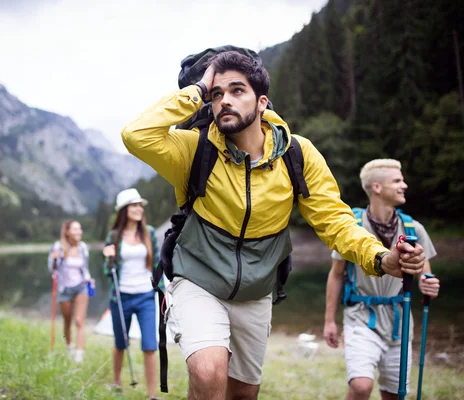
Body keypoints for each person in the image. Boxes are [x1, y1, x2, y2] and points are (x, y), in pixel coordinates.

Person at [120, 50, 426, 400]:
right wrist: (199, 89)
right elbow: (136, 135)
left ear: (262, 101)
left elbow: (335, 221)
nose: (225, 101)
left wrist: (381, 257)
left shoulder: (298, 154)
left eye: (237, 91)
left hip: (256, 291)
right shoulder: (194, 150)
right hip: (197, 279)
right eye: (217, 94)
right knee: (207, 375)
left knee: (244, 393)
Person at [323, 159, 440, 400]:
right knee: (361, 386)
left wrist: (428, 284)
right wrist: (329, 321)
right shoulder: (352, 228)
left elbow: (425, 273)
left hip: (400, 319)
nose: (404, 185)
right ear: (376, 187)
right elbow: (335, 275)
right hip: (361, 316)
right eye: (397, 180)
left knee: (394, 393)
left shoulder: (413, 229)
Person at [102, 188, 162, 399]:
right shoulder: (114, 236)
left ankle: (152, 394)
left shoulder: (150, 233)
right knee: (120, 343)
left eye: (140, 206)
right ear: (124, 210)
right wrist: (108, 258)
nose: (139, 209)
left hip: (146, 296)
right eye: (134, 205)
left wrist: (163, 287)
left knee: (149, 346)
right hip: (121, 297)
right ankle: (116, 383)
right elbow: (108, 272)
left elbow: (157, 264)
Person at [48, 220, 93, 363]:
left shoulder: (83, 247)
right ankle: (69, 348)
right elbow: (52, 268)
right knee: (67, 321)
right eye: (75, 229)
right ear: (67, 232)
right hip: (64, 288)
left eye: (80, 229)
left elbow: (85, 267)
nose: (79, 232)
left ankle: (79, 355)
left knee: (79, 320)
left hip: (81, 287)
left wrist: (88, 278)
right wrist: (55, 259)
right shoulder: (58, 247)